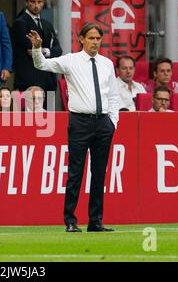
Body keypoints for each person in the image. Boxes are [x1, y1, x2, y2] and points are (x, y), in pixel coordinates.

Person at [28, 22, 120, 233]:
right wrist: (36, 48)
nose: (95, 42)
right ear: (81, 39)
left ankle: (95, 221)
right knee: (76, 172)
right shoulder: (71, 61)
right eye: (91, 38)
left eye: (98, 38)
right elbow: (41, 64)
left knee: (99, 174)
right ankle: (70, 220)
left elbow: (113, 95)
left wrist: (113, 122)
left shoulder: (107, 64)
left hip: (103, 122)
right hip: (80, 122)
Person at [11, 0, 62, 107]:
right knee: (27, 119)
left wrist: (43, 51)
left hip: (48, 80)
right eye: (33, 2)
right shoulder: (20, 23)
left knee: (48, 119)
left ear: (43, 3)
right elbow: (30, 48)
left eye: (39, 2)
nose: (36, 5)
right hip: (28, 80)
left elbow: (58, 50)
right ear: (26, 2)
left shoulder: (47, 24)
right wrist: (46, 50)